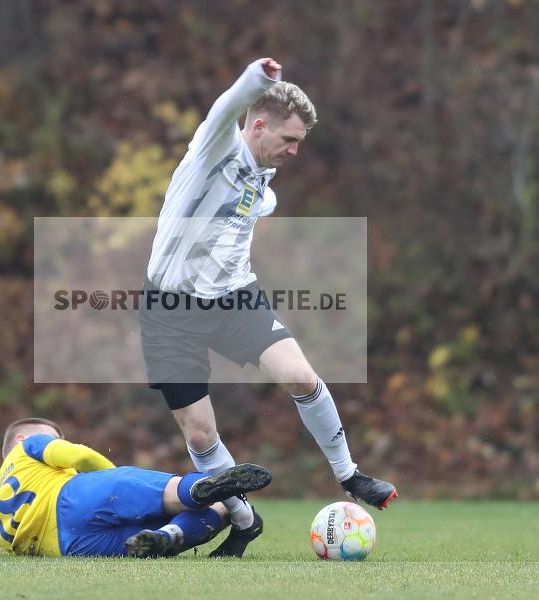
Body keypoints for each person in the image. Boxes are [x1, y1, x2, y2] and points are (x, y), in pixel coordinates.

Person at [140, 57, 397, 558]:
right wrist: (258, 79)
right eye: (290, 139)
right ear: (258, 126)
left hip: (235, 297)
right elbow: (225, 108)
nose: (296, 151)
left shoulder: (264, 178)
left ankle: (349, 474)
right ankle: (243, 518)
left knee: (301, 376)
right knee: (200, 431)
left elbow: (250, 210)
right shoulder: (214, 151)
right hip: (170, 308)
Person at [0, 417, 272, 558]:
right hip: (73, 497)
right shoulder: (27, 449)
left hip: (70, 547)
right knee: (151, 491)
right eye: (53, 435)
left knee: (142, 541)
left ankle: (171, 536)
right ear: (23, 438)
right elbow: (80, 454)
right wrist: (112, 478)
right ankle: (202, 491)